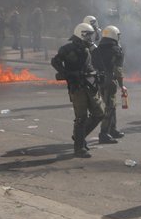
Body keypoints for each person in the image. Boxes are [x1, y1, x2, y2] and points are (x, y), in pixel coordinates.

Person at [51, 23, 105, 158]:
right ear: (81, 34)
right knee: (81, 118)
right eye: (88, 35)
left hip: (90, 84)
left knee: (99, 114)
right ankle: (79, 147)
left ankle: (79, 136)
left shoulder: (88, 49)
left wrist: (97, 73)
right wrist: (66, 73)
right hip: (77, 86)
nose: (90, 38)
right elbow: (55, 61)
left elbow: (91, 65)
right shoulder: (67, 49)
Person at [91, 25, 127, 143]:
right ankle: (104, 133)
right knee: (110, 107)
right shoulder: (116, 50)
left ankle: (112, 129)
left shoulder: (96, 49)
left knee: (111, 105)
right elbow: (118, 70)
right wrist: (121, 85)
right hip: (109, 81)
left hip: (98, 81)